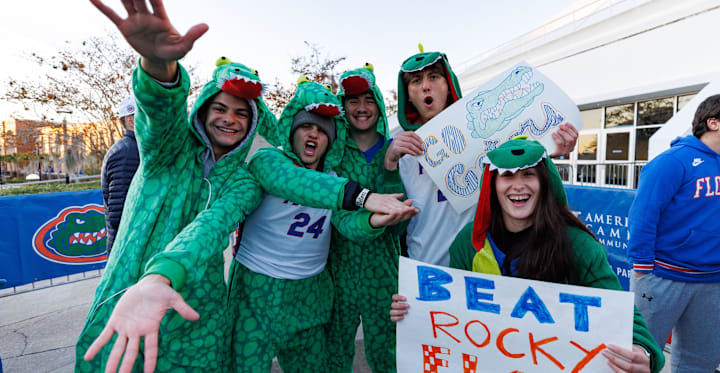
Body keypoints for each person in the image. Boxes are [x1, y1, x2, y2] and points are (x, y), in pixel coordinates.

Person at [77, 0, 282, 372]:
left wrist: (165, 274)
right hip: (129, 298)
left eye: (242, 114)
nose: (229, 120)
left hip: (196, 315)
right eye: (220, 109)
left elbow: (211, 224)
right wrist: (157, 63)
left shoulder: (243, 178)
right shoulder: (167, 151)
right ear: (203, 110)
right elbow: (159, 112)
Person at [391, 136, 665, 373]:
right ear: (492, 185)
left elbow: (621, 314)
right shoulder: (467, 244)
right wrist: (416, 311)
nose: (518, 185)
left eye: (528, 174)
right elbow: (453, 311)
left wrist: (643, 353)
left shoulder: (579, 246)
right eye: (507, 175)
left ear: (545, 182)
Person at [229, 77, 417, 372]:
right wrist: (363, 197)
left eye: (321, 129)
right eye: (306, 126)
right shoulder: (268, 160)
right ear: (292, 130)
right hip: (257, 295)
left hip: (310, 297)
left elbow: (347, 222)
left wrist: (374, 220)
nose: (313, 134)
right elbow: (294, 183)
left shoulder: (332, 177)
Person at [383, 46, 579, 267]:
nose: (426, 86)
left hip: (481, 264)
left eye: (434, 77)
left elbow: (520, 162)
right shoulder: (398, 146)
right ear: (407, 93)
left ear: (448, 85)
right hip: (425, 266)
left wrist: (550, 150)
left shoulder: (482, 126)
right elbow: (391, 223)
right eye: (416, 81)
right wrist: (389, 164)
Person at [628, 94, 720, 373]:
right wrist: (643, 269)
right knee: (638, 355)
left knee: (700, 362)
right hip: (661, 276)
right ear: (713, 123)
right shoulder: (672, 161)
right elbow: (643, 216)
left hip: (712, 281)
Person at [325, 63, 405, 372]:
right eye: (353, 100)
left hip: (383, 270)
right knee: (336, 352)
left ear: (380, 105)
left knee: (388, 352)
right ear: (342, 106)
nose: (361, 108)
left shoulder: (395, 149)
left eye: (369, 100)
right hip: (337, 270)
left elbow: (402, 221)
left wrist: (390, 168)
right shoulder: (331, 152)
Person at [101, 93, 140, 254]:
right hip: (127, 248)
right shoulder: (127, 152)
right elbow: (120, 212)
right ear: (130, 120)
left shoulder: (134, 147)